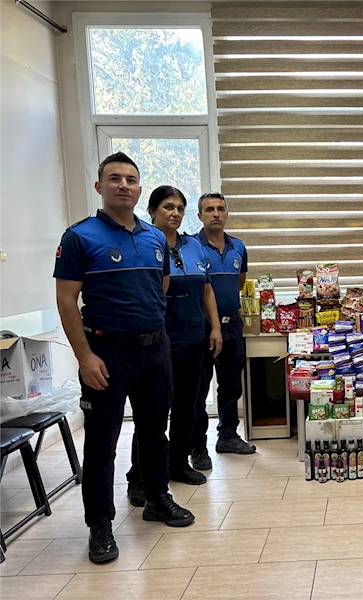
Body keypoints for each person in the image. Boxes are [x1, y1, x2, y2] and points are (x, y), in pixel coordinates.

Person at [54, 153, 195, 565]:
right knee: (102, 442)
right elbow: (66, 299)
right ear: (100, 186)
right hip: (106, 353)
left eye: (131, 179)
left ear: (138, 188)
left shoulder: (154, 238)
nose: (123, 185)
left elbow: (161, 287)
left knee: (154, 433)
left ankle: (156, 499)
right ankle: (100, 526)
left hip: (155, 350)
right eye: (114, 178)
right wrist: (85, 357)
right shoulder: (80, 237)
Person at [126, 186, 224, 506]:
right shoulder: (142, 244)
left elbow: (206, 289)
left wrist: (216, 328)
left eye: (180, 208)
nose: (176, 213)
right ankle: (139, 477)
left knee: (187, 408)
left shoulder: (194, 245)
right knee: (152, 415)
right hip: (158, 343)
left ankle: (178, 464)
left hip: (195, 339)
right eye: (168, 207)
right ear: (153, 210)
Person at [190, 191, 256, 469]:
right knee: (198, 390)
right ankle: (197, 448)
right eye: (209, 209)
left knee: (231, 386)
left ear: (227, 213)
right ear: (200, 216)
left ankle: (228, 436)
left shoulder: (238, 247)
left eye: (220, 209)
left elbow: (240, 284)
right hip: (201, 329)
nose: (215, 213)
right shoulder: (191, 246)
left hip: (232, 327)